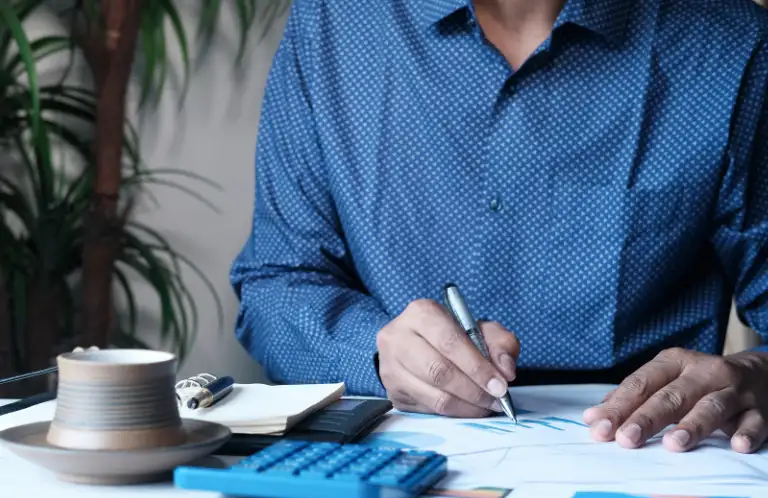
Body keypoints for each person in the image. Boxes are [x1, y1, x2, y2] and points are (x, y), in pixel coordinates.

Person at [230, 0, 768, 454]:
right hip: (388, 470)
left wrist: (756, 376)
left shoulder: (733, 45)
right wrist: (375, 354)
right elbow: (275, 284)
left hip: (640, 469)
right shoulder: (334, 22)